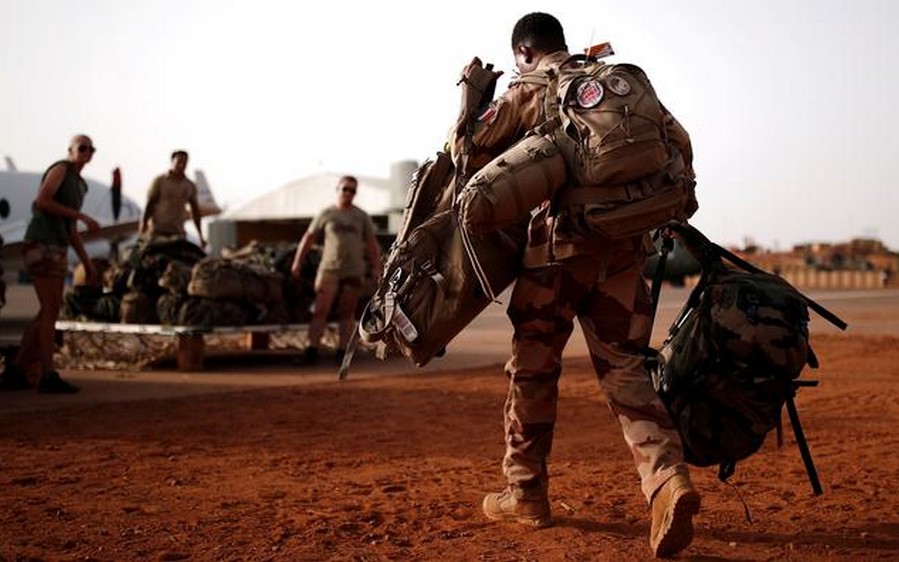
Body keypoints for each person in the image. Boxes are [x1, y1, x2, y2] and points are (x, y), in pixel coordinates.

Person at [449, 13, 700, 558]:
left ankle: (526, 494)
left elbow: (464, 153)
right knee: (626, 370)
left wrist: (471, 97)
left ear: (523, 51)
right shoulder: (616, 83)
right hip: (625, 252)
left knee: (534, 370)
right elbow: (679, 141)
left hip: (557, 254)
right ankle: (666, 482)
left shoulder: (529, 88)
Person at [0, 134, 101, 393]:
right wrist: (81, 215)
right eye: (82, 148)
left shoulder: (81, 185)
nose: (87, 152)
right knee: (50, 309)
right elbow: (42, 201)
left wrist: (87, 263)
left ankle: (17, 370)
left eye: (91, 149)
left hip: (57, 246)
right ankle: (48, 374)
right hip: (41, 244)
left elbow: (70, 229)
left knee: (47, 311)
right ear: (70, 150)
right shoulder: (61, 170)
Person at [290, 176, 382, 365]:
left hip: (353, 271)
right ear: (338, 189)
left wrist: (376, 267)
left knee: (347, 312)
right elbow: (308, 238)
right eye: (345, 189)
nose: (348, 193)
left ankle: (343, 352)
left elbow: (371, 243)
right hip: (330, 269)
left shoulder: (361, 216)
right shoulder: (327, 214)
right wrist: (297, 262)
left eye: (352, 190)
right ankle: (312, 350)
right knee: (321, 310)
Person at [139, 150, 206, 248]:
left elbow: (195, 212)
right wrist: (144, 224)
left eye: (185, 162)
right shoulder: (160, 181)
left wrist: (200, 235)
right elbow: (150, 203)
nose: (181, 165)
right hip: (158, 230)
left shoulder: (189, 186)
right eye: (179, 161)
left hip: (177, 232)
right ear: (172, 161)